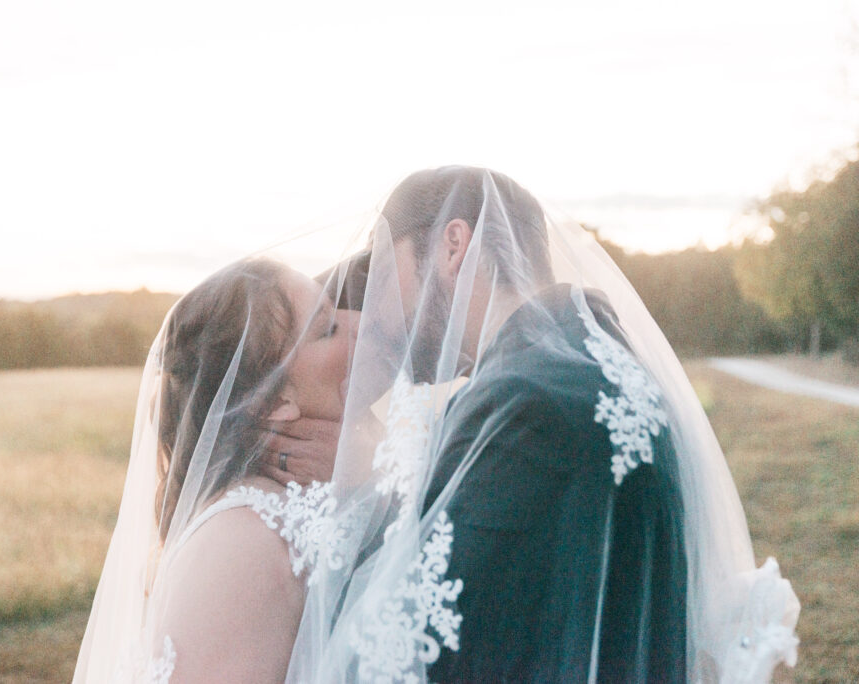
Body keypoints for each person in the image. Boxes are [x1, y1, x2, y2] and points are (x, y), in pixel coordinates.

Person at [283, 166, 800, 683]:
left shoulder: (527, 406)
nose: (374, 307)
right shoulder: (594, 362)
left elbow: (398, 650)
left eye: (383, 266)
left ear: (453, 246)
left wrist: (355, 494)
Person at [73, 258, 358, 683]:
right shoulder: (246, 536)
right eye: (327, 329)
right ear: (274, 400)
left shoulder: (309, 499)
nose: (359, 326)